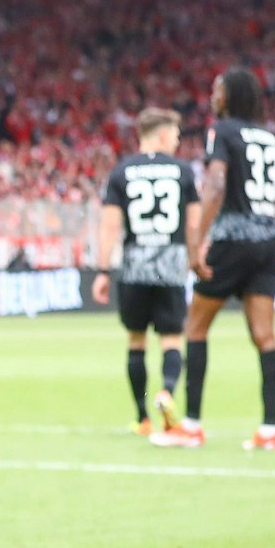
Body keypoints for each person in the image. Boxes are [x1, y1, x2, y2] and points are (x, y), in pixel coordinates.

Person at [153, 68, 275, 450]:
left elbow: (215, 185)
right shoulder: (271, 137)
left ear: (230, 96)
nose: (214, 95)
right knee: (265, 336)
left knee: (194, 327)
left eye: (218, 90)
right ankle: (270, 430)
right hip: (266, 238)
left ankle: (191, 425)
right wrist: (272, 235)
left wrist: (196, 242)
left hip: (232, 238)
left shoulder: (222, 131)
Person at [91, 108, 202, 435]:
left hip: (135, 266)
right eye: (176, 134)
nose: (179, 140)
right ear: (163, 134)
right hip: (171, 264)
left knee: (136, 339)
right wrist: (194, 259)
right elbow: (194, 223)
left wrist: (101, 270)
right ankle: (166, 391)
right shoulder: (183, 171)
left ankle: (141, 417)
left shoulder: (122, 171)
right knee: (171, 338)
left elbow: (110, 226)